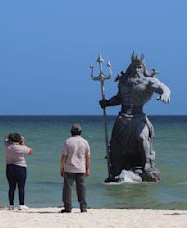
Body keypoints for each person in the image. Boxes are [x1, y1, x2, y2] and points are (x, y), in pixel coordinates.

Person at [99, 53, 170, 182]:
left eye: (139, 67)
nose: (136, 70)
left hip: (138, 118)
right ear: (129, 68)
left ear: (143, 69)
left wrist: (166, 92)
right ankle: (116, 170)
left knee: (142, 138)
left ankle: (147, 165)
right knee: (115, 144)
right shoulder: (124, 82)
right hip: (123, 118)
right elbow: (119, 98)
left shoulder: (148, 81)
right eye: (133, 67)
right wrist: (108, 103)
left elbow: (161, 87)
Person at [60, 123, 91, 213]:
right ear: (80, 132)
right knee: (81, 188)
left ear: (71, 132)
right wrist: (87, 169)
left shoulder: (68, 141)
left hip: (69, 168)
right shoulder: (85, 142)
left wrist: (61, 168)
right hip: (81, 168)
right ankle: (83, 207)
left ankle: (68, 207)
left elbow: (64, 157)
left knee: (67, 189)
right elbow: (88, 157)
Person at [4, 132, 33, 210]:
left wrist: (12, 138)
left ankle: (11, 205)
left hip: (9, 167)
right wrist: (23, 143)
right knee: (21, 187)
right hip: (20, 167)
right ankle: (21, 204)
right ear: (18, 140)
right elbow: (30, 152)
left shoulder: (7, 145)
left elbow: (5, 138)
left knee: (11, 187)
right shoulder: (22, 148)